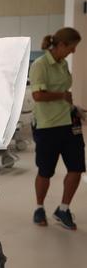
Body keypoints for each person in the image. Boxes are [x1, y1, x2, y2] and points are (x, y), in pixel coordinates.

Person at [29, 27, 83, 230]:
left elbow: (64, 92)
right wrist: (62, 96)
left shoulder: (62, 64)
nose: (74, 51)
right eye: (72, 47)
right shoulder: (40, 65)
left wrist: (74, 108)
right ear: (61, 45)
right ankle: (39, 207)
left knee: (77, 168)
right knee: (45, 171)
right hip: (47, 126)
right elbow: (38, 96)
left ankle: (63, 208)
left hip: (69, 124)